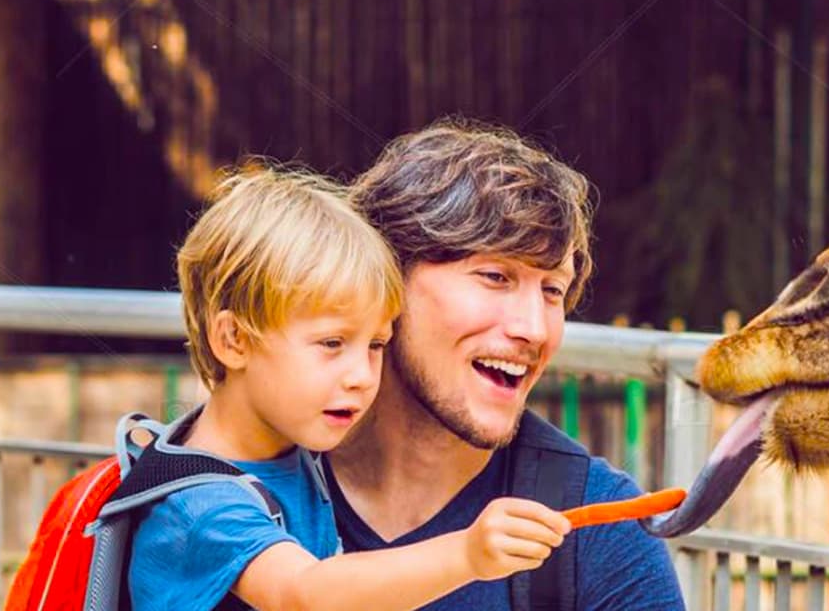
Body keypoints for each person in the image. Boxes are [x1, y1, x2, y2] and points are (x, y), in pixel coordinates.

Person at [128, 167, 574, 611]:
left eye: (376, 345)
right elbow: (302, 593)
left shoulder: (287, 455)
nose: (362, 375)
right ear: (234, 341)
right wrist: (466, 555)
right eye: (332, 344)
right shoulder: (200, 506)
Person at [326, 119, 684, 609]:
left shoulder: (598, 534)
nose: (534, 329)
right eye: (495, 276)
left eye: (552, 291)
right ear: (383, 281)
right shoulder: (238, 493)